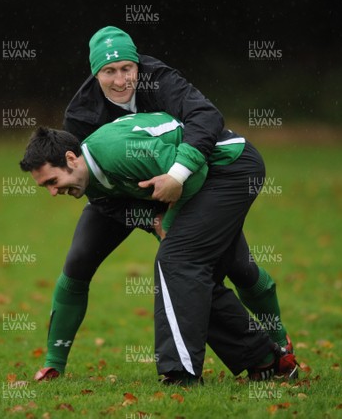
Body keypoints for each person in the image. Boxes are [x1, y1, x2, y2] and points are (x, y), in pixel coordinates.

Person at [33, 26, 294, 381]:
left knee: (233, 266)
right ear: (95, 75)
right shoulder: (81, 115)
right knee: (81, 260)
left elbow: (207, 119)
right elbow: (87, 182)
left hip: (192, 175)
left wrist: (176, 180)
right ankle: (53, 362)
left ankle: (278, 346)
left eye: (127, 68)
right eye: (109, 72)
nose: (121, 79)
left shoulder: (158, 78)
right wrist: (153, 218)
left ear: (138, 66)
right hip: (118, 194)